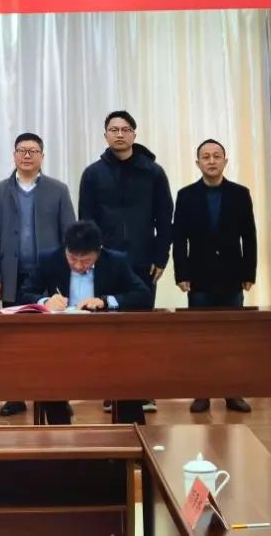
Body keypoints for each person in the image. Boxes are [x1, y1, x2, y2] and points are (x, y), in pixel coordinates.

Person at [78, 110, 173, 413]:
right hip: (106, 262)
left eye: (125, 129)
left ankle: (143, 390)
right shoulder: (93, 174)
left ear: (134, 134)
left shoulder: (153, 172)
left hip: (144, 260)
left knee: (141, 327)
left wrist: (161, 256)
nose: (119, 134)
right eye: (113, 129)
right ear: (105, 135)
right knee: (109, 329)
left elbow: (165, 219)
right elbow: (86, 220)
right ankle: (112, 390)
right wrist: (90, 258)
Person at [20, 220, 151, 425]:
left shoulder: (115, 261)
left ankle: (130, 434)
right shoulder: (50, 259)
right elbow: (24, 292)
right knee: (46, 373)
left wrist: (106, 301)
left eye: (86, 260)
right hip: (60, 340)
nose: (79, 265)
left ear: (98, 252)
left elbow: (143, 295)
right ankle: (59, 427)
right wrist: (45, 301)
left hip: (106, 340)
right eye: (73, 258)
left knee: (128, 373)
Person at [0, 132, 75, 417]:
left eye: (33, 151)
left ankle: (57, 396)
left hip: (50, 278)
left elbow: (70, 234)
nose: (27, 155)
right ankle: (15, 396)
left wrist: (69, 272)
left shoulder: (58, 190)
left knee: (54, 342)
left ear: (42, 157)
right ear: (14, 155)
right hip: (12, 275)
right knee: (14, 340)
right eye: (22, 150)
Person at [173, 139, 258, 414]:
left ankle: (233, 392)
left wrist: (249, 272)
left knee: (233, 337)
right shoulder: (186, 195)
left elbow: (249, 236)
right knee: (201, 338)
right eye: (206, 157)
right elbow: (179, 238)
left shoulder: (240, 194)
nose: (211, 161)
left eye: (216, 156)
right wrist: (181, 273)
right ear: (197, 163)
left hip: (232, 276)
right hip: (199, 277)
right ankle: (202, 393)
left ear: (225, 161)